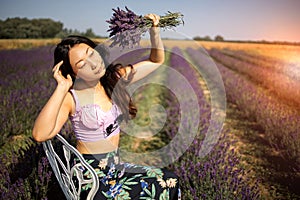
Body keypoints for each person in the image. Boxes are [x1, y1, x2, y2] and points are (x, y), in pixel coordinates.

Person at [32, 14, 181, 199]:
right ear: (73, 73)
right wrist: (62, 88)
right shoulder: (72, 98)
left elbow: (155, 61)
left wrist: (154, 31)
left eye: (91, 53)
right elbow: (40, 134)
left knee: (170, 180)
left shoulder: (114, 79)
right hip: (90, 175)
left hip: (115, 166)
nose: (93, 63)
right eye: (81, 64)